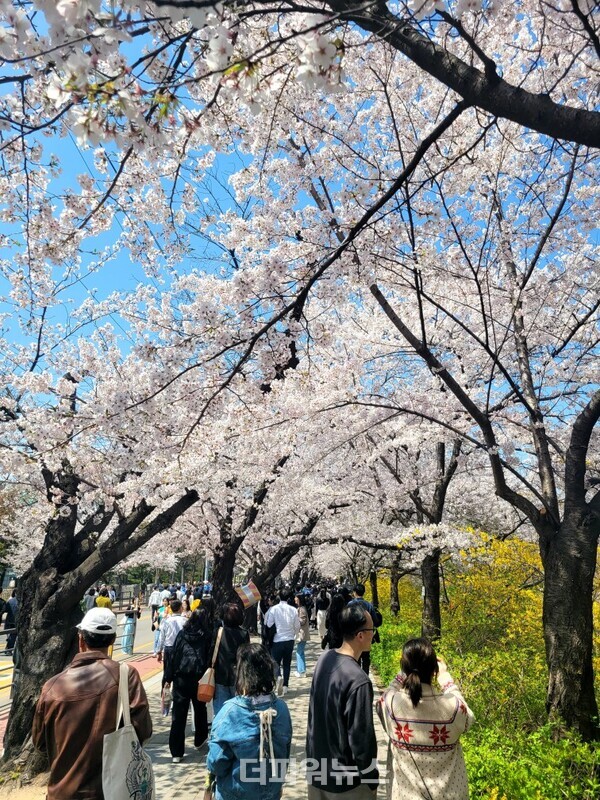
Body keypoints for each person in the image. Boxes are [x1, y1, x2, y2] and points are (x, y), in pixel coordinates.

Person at [32, 608, 152, 800]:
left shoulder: (52, 686)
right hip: (109, 791)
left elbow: (40, 744)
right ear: (112, 640)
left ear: (81, 640)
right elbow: (143, 731)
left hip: (62, 792)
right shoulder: (125, 676)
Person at [377, 638, 474, 800]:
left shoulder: (391, 704)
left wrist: (402, 675)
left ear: (404, 667)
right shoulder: (453, 708)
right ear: (434, 669)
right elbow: (468, 718)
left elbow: (383, 699)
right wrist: (445, 678)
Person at [306, 604, 378, 800]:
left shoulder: (324, 659)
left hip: (317, 772)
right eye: (372, 630)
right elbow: (362, 740)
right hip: (347, 784)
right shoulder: (359, 680)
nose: (374, 635)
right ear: (361, 635)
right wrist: (371, 780)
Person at [207, 643, 292, 800]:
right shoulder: (281, 709)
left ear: (241, 673)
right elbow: (284, 754)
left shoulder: (230, 713)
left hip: (235, 794)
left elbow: (216, 763)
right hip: (271, 792)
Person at [164, 609, 211, 762]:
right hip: (199, 678)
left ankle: (176, 752)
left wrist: (168, 678)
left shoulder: (182, 634)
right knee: (200, 709)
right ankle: (200, 739)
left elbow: (173, 655)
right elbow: (209, 657)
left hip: (181, 678)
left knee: (178, 715)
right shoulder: (206, 635)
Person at [213, 602, 251, 715]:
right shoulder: (244, 633)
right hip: (238, 675)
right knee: (238, 708)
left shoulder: (219, 632)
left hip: (220, 675)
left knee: (221, 710)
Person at [264, 589, 300, 696]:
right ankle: (285, 686)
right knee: (287, 663)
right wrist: (294, 634)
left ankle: (278, 677)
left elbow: (269, 624)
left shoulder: (274, 609)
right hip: (289, 639)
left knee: (275, 662)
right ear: (289, 598)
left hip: (277, 639)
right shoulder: (293, 609)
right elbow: (297, 626)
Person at [348, 584, 381, 675]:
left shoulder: (350, 605)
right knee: (366, 658)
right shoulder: (368, 605)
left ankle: (357, 677)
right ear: (364, 592)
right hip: (367, 634)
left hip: (354, 634)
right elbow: (375, 620)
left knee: (356, 657)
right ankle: (365, 677)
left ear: (354, 592)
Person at [157, 599, 187, 687]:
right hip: (181, 650)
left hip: (169, 649)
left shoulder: (166, 621)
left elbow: (161, 638)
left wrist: (159, 651)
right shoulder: (185, 621)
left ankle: (164, 694)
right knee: (179, 673)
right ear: (180, 608)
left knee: (167, 673)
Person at [294, 592, 310, 678]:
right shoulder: (300, 608)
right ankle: (301, 670)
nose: (295, 599)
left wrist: (294, 621)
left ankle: (301, 671)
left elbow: (302, 621)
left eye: (296, 597)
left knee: (299, 652)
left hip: (302, 634)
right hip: (301, 633)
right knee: (300, 652)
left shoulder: (302, 609)